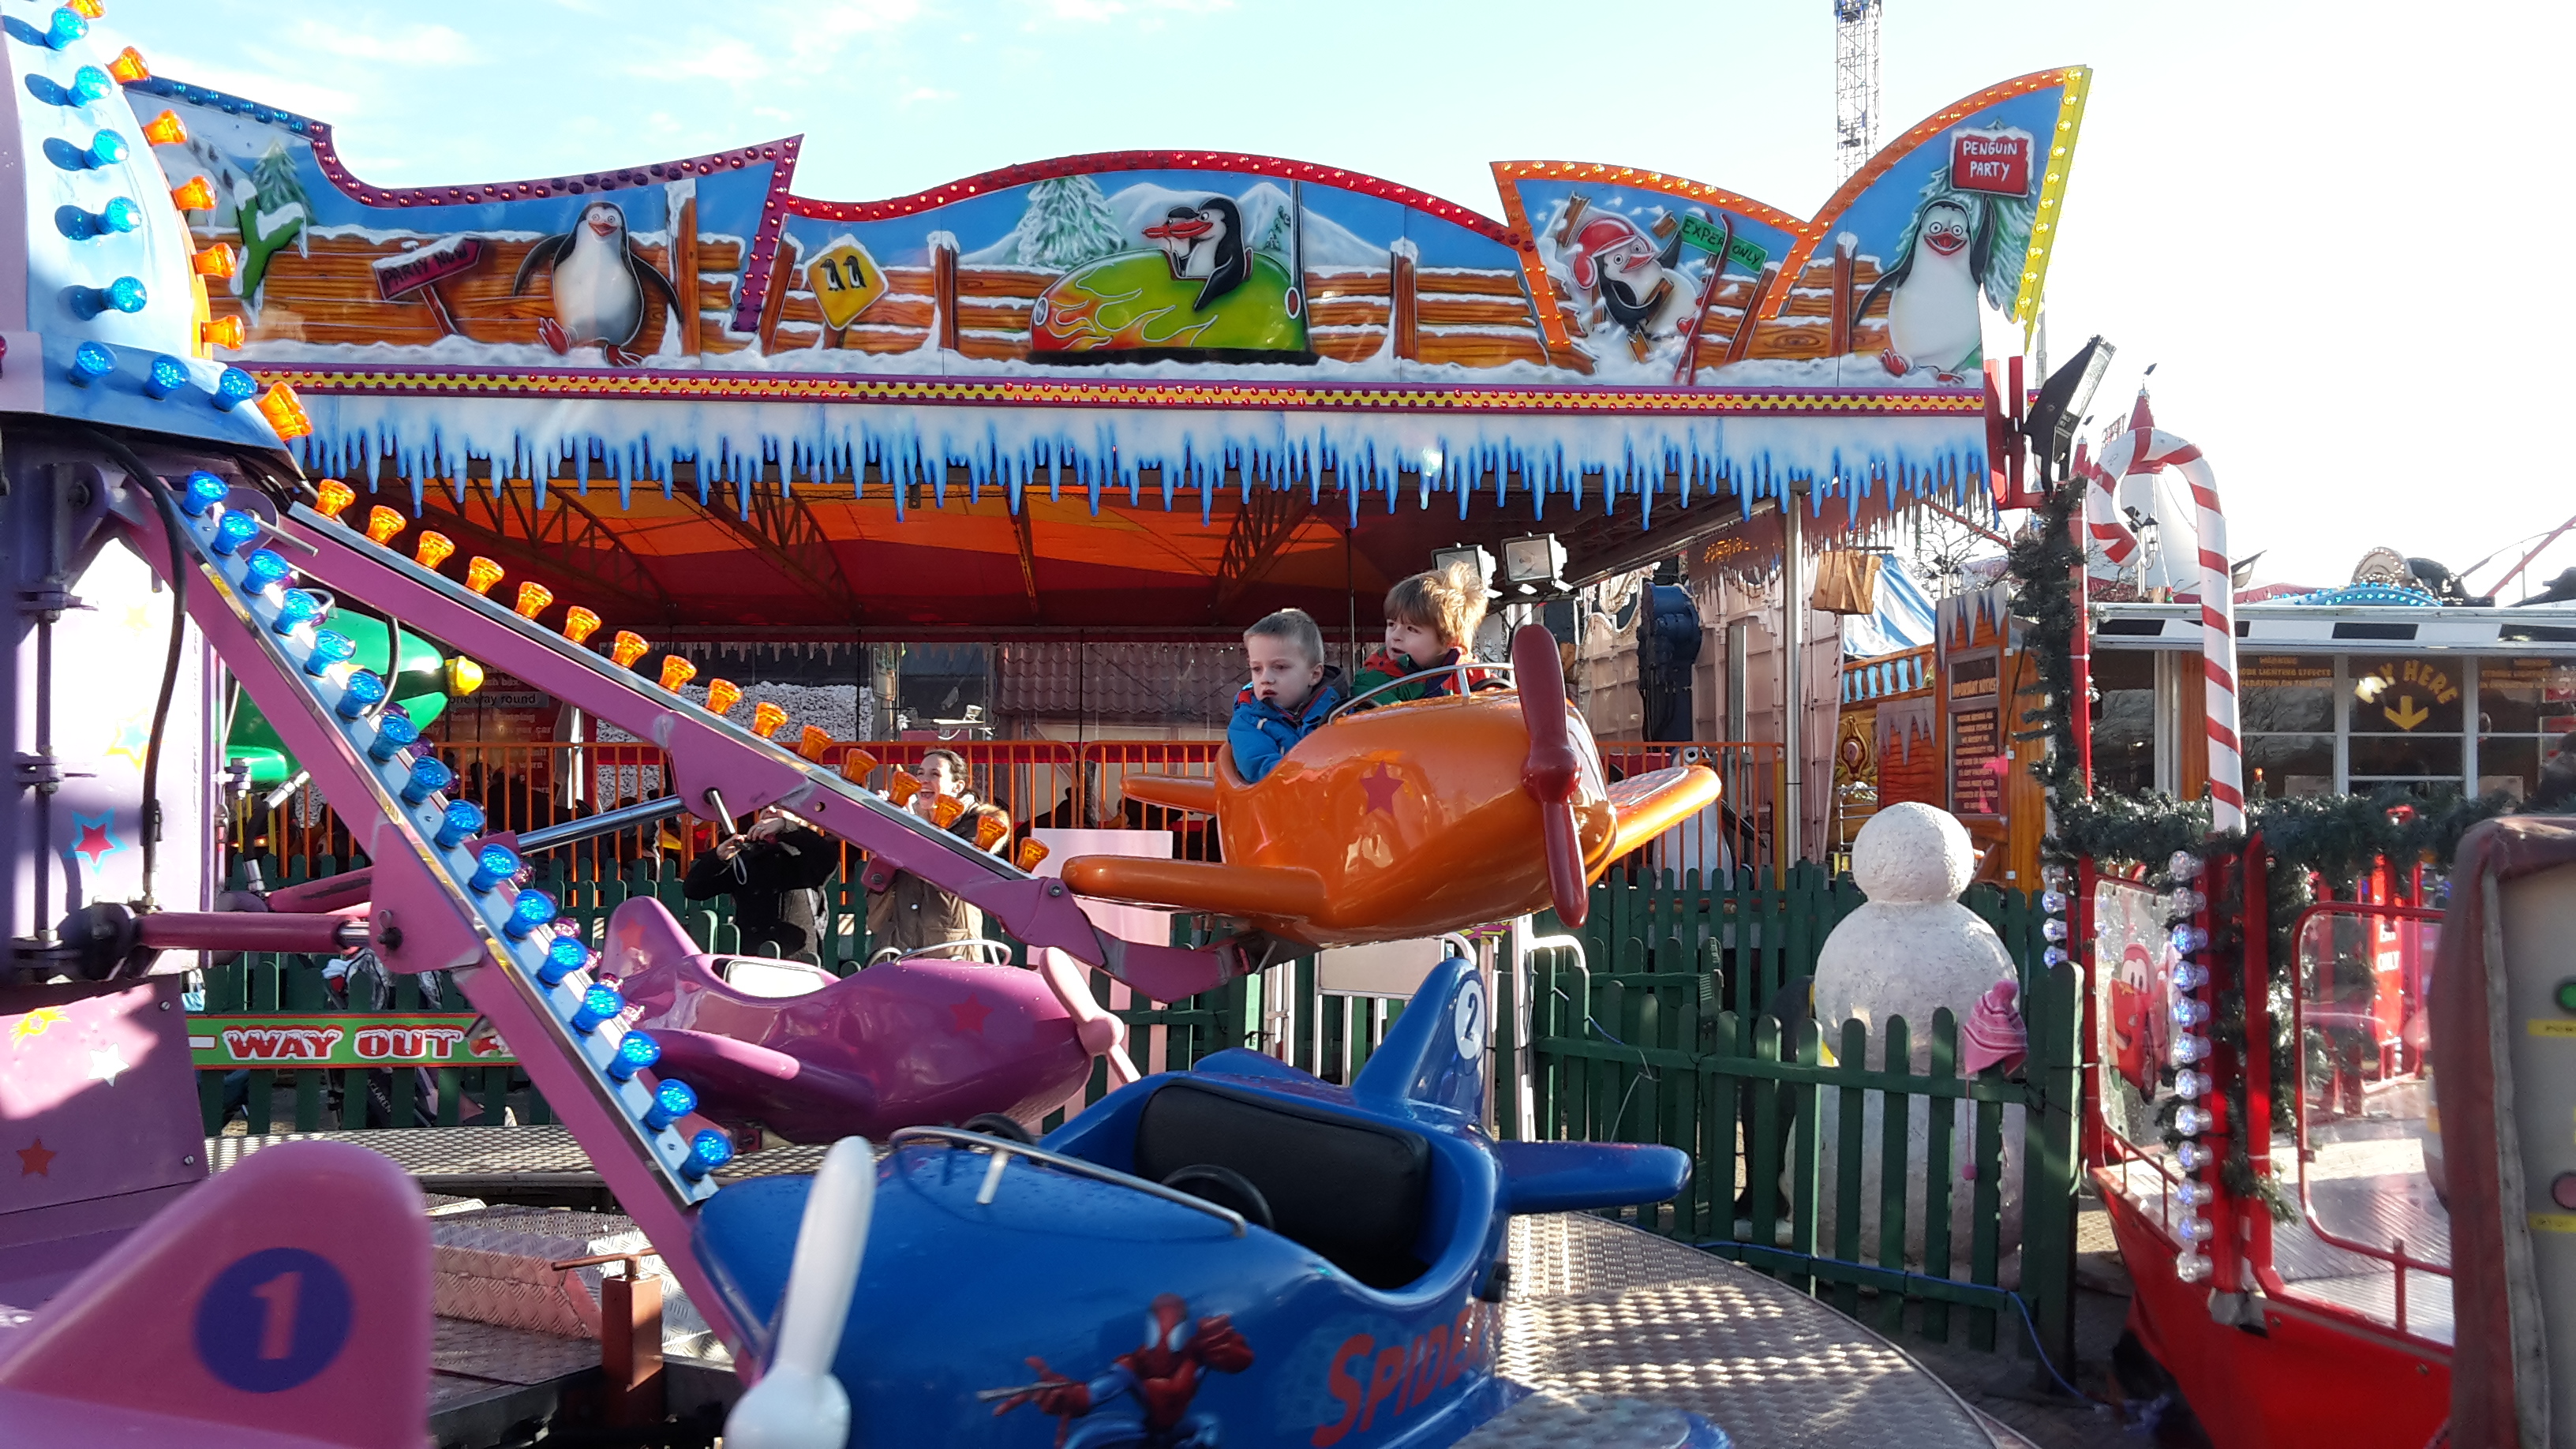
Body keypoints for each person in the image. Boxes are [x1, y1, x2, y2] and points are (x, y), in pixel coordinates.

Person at [863, 749, 1005, 960]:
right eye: (920, 773)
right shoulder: (911, 815)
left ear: (957, 787)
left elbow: (952, 869)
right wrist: (889, 825)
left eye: (935, 774)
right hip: (901, 945)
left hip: (952, 950)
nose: (923, 780)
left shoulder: (981, 824)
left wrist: (911, 830)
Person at [683, 806, 838, 959]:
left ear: (801, 819)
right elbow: (694, 889)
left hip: (797, 960)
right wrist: (718, 858)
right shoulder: (746, 858)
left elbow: (826, 855)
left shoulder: (808, 858)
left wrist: (785, 826)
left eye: (780, 806)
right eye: (764, 807)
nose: (769, 809)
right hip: (752, 959)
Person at [1350, 561, 1495, 707]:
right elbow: (1396, 719)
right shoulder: (1375, 680)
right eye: (1391, 624)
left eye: (1411, 629)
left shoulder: (1469, 672)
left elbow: (1496, 704)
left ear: (1449, 640)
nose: (1395, 636)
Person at [1227, 608, 1343, 784]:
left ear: (1314, 675)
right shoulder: (1248, 721)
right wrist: (1312, 779)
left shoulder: (1341, 714)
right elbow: (1261, 766)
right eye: (1257, 669)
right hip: (1278, 797)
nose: (1266, 679)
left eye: (1280, 667)